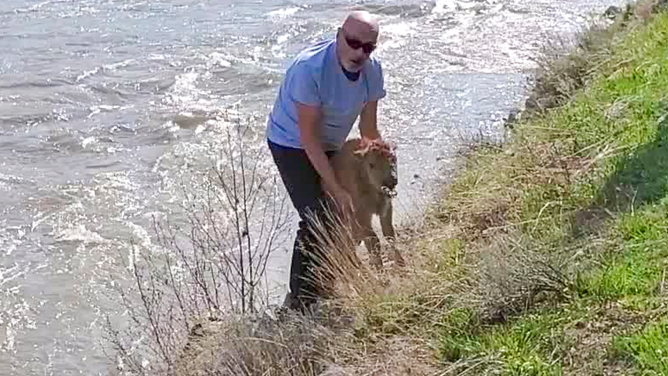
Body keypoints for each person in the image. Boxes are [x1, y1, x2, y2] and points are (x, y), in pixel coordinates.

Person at [265, 10, 387, 313]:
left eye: (368, 47)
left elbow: (368, 130)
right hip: (291, 142)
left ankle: (328, 279)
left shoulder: (372, 72)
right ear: (338, 35)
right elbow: (309, 139)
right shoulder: (310, 69)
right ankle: (300, 303)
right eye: (353, 42)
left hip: (332, 142)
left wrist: (381, 158)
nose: (359, 52)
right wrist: (335, 188)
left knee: (354, 208)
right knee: (319, 214)